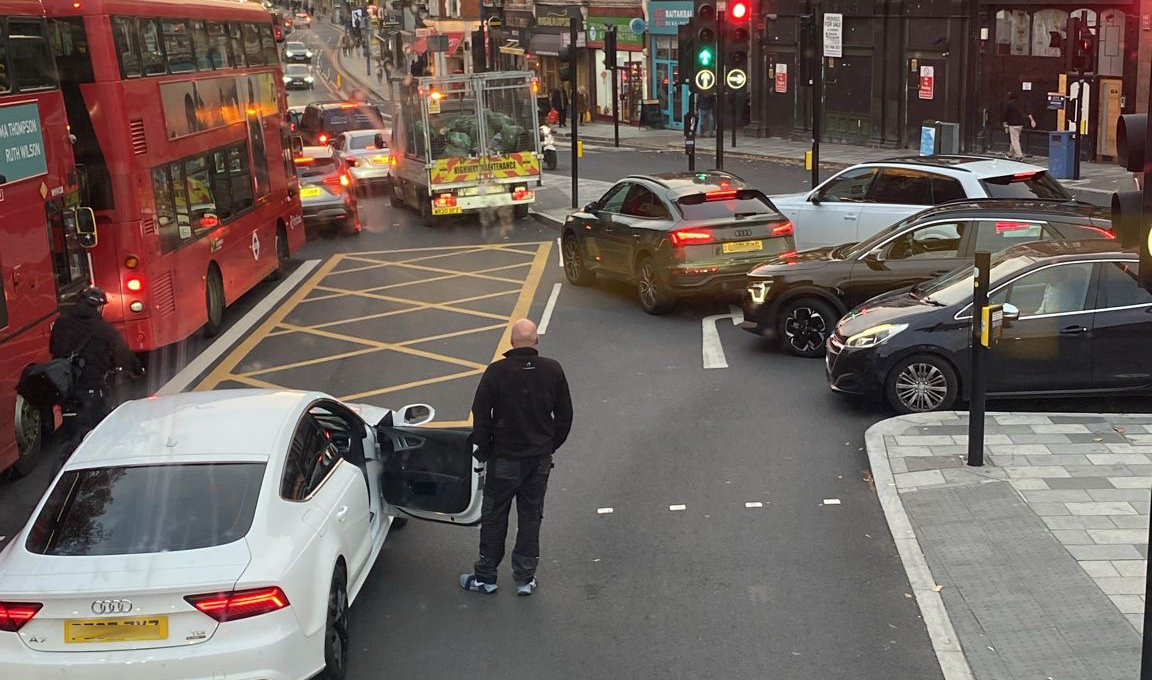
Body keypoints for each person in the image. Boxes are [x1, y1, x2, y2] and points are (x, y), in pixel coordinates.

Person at [460, 319, 573, 596]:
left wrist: (484, 450)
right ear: (536, 341)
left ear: (511, 342)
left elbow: (482, 415)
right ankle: (525, 577)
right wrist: (549, 445)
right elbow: (565, 415)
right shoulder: (552, 370)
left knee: (495, 516)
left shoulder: (497, 372)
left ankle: (486, 577)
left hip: (504, 458)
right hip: (538, 460)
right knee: (531, 516)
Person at [49, 287, 144, 457]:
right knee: (102, 432)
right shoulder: (104, 329)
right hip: (92, 389)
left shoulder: (60, 323)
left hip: (67, 389)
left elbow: (53, 349)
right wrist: (137, 370)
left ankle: (66, 462)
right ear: (99, 307)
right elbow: (123, 355)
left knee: (70, 431)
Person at [1002, 92, 1036, 161]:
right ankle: (1010, 154)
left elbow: (1006, 114)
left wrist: (1005, 122)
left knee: (1014, 140)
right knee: (1015, 139)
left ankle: (1019, 155)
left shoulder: (1009, 103)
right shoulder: (1021, 103)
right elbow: (1027, 111)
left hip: (1012, 124)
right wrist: (1031, 120)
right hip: (1020, 124)